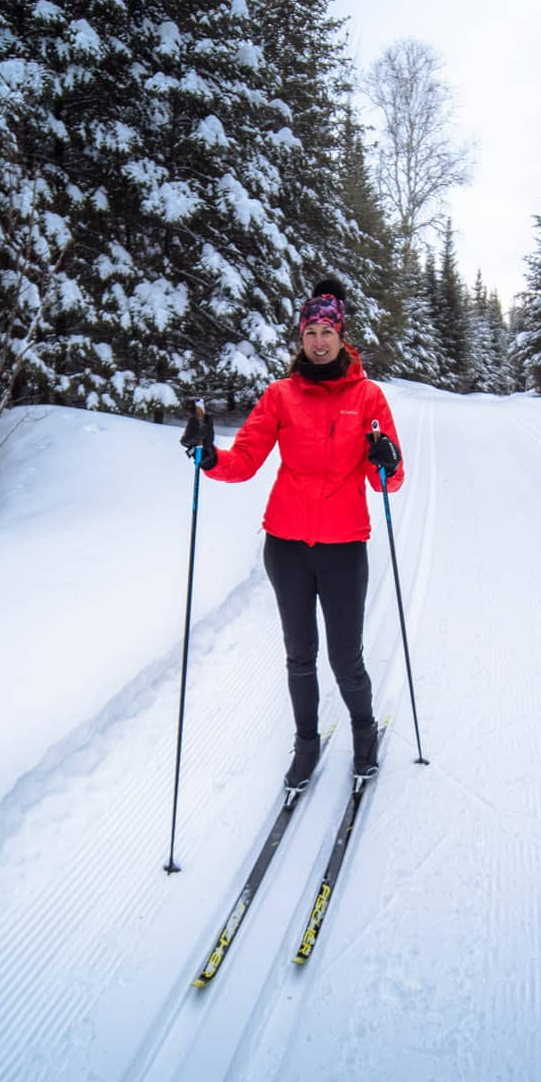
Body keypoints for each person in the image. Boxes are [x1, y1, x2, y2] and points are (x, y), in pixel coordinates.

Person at [180, 281, 404, 788]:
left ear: (342, 336)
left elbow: (386, 477)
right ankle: (306, 744)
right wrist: (210, 456)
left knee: (345, 657)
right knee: (299, 654)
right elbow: (245, 460)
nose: (319, 341)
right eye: (311, 332)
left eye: (327, 331)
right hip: (286, 547)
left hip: (345, 547)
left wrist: (386, 458)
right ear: (300, 338)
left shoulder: (368, 396)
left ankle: (364, 732)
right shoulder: (280, 395)